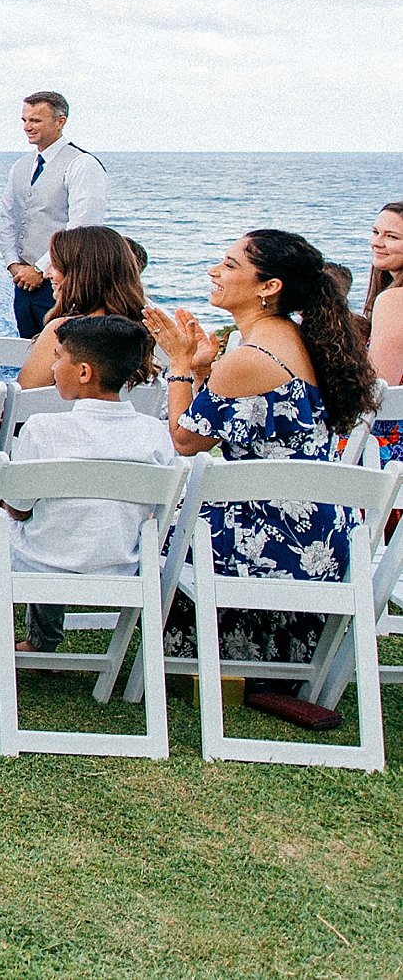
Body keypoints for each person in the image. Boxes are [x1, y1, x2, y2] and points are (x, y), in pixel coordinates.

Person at [148, 229, 378, 731]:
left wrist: (181, 366)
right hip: (319, 527)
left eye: (229, 265)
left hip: (275, 535)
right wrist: (208, 370)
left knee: (158, 523)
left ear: (267, 286)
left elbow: (185, 441)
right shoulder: (297, 340)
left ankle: (186, 657)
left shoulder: (249, 358)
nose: (215, 271)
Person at [0, 314, 177, 654]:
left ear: (83, 372)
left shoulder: (42, 428)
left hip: (43, 564)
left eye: (57, 358)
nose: (52, 368)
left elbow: (19, 510)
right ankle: (41, 643)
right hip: (121, 564)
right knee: (63, 525)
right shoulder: (154, 433)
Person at [2, 91, 109, 338]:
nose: (28, 127)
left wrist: (40, 269)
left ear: (60, 121)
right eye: (25, 120)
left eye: (36, 120)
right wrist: (13, 263)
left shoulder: (82, 164)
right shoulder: (20, 166)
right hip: (21, 283)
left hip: (63, 284)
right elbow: (8, 218)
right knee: (25, 351)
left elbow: (83, 227)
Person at [15, 226, 150, 389]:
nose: (46, 273)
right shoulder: (145, 331)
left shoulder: (62, 331)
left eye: (55, 264)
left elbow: (22, 402)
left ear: (80, 271)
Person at [368, 200, 403, 387]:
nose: (377, 243)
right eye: (375, 232)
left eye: (392, 237)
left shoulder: (394, 301)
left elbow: (380, 387)